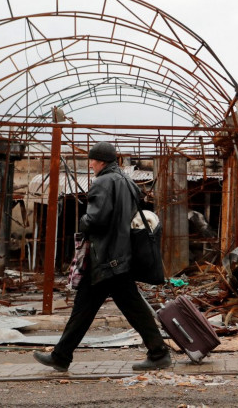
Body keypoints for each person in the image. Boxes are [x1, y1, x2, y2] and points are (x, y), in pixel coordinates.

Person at [34, 141, 171, 372]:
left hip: (105, 257)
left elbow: (96, 219)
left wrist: (82, 221)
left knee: (92, 307)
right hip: (120, 256)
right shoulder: (127, 181)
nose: (90, 165)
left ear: (100, 161)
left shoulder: (102, 182)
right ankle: (62, 355)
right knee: (103, 306)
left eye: (92, 161)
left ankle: (61, 356)